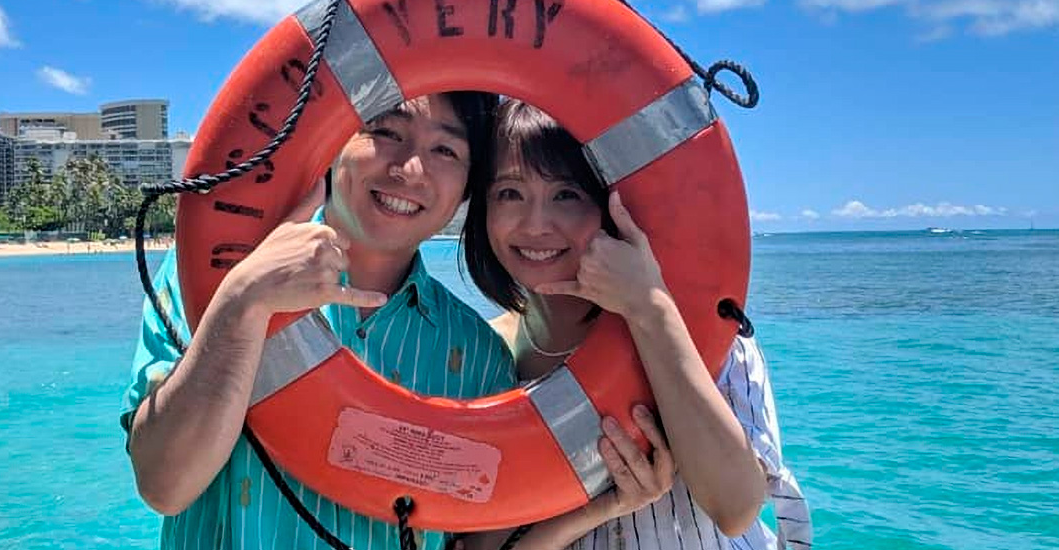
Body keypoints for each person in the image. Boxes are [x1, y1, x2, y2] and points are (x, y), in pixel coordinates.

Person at [121, 93, 519, 550]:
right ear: (331, 141)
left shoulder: (480, 359)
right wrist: (243, 302)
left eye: (445, 150)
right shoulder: (211, 273)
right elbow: (164, 487)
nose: (409, 169)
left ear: (468, 188)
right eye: (386, 132)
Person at [458, 99, 812, 550]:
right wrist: (603, 507)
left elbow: (737, 508)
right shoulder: (480, 356)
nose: (536, 224)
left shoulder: (702, 332)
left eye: (567, 194)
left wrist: (649, 308)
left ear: (610, 207)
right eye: (510, 193)